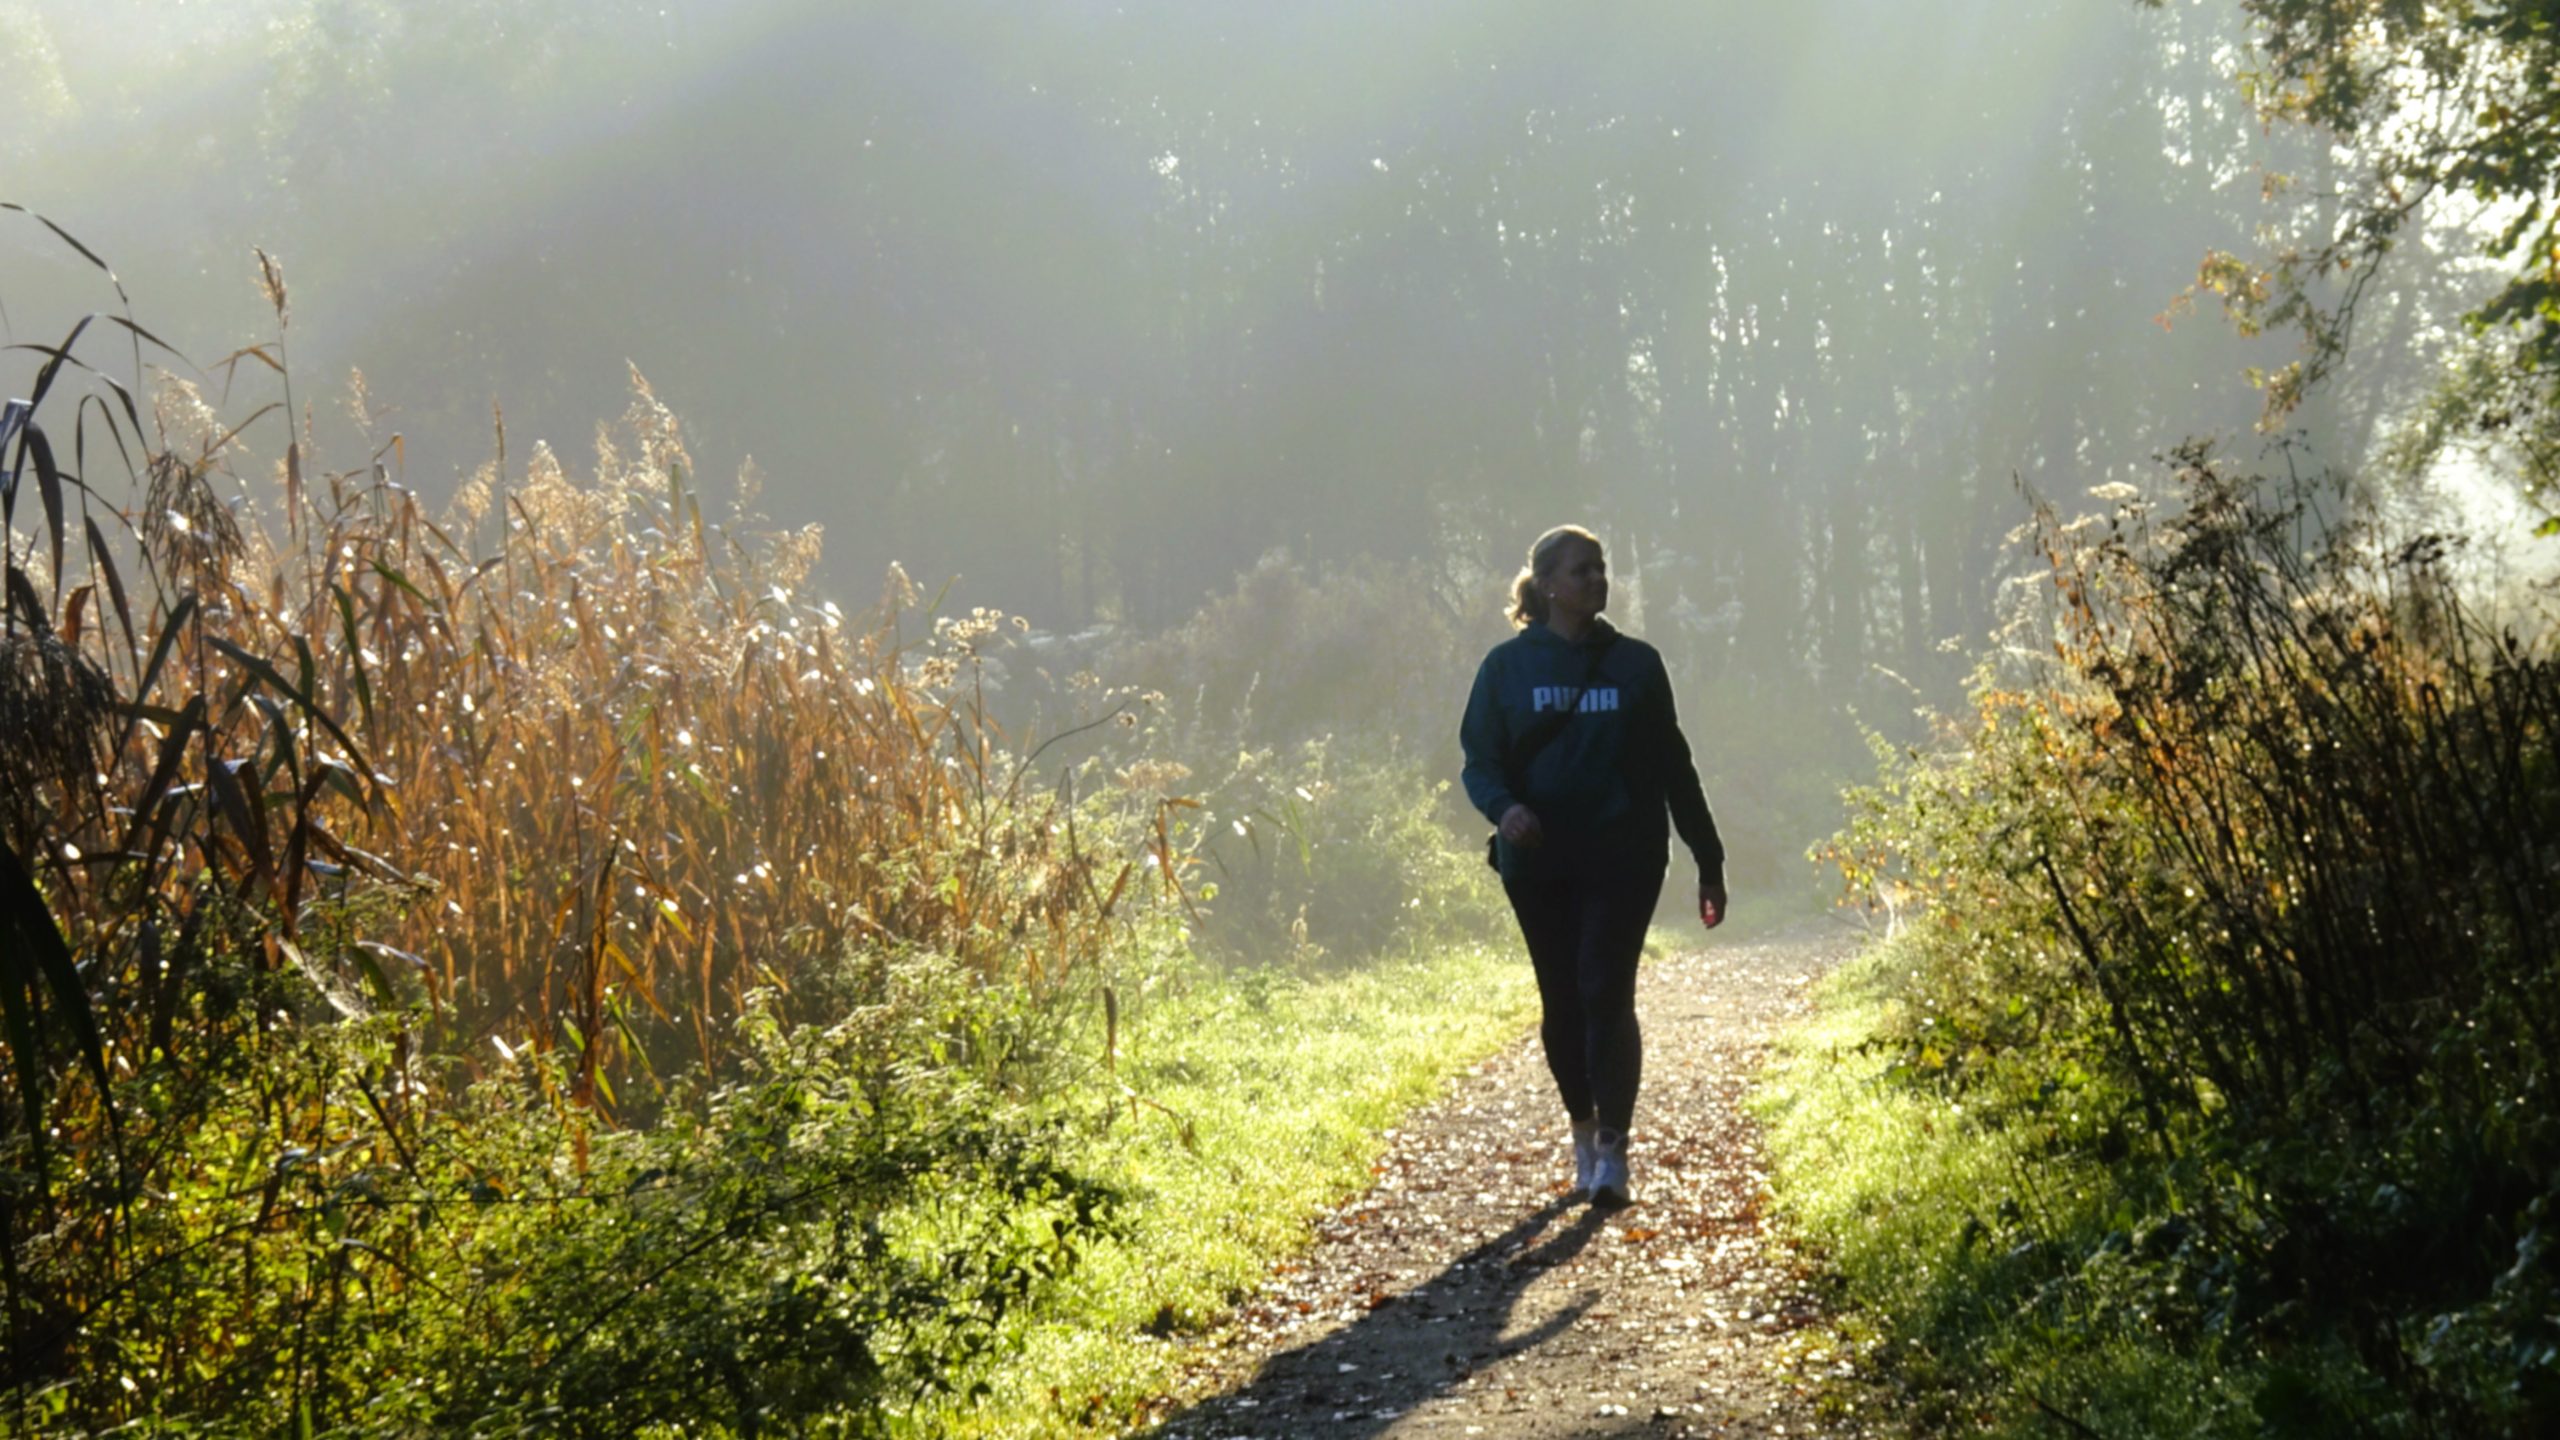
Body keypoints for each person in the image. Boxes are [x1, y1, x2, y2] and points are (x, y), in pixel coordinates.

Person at [1459, 524, 1726, 1207]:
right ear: (1547, 583)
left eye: (1601, 569)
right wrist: (1504, 809)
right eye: (1582, 571)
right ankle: (1582, 1126)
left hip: (1625, 858)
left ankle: (1614, 1149)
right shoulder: (1506, 669)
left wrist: (1708, 856)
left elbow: (1675, 766)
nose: (1596, 581)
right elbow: (1480, 761)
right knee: (1562, 1002)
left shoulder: (1637, 665)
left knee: (1606, 988)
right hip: (1539, 862)